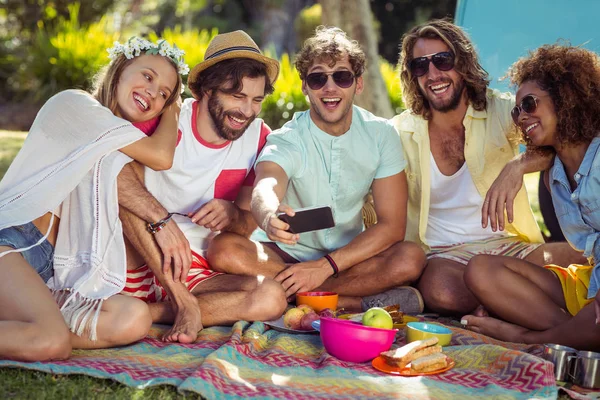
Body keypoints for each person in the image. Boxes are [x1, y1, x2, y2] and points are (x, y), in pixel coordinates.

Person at [207, 26, 426, 313]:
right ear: (305, 86)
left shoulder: (381, 134)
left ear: (358, 84)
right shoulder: (289, 137)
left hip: (347, 259)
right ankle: (352, 303)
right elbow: (266, 185)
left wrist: (324, 267)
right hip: (284, 256)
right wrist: (269, 215)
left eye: (342, 77)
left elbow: (392, 226)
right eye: (318, 78)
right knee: (223, 250)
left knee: (410, 257)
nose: (330, 87)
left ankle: (295, 295)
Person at [0, 37, 186, 361]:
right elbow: (162, 155)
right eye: (148, 76)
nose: (153, 93)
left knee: (134, 317)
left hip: (49, 273)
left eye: (164, 94)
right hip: (13, 243)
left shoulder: (120, 150)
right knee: (51, 342)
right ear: (120, 68)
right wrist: (174, 107)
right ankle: (38, 329)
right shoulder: (75, 105)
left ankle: (26, 323)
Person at [392, 19, 586, 316]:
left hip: (512, 249)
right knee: (439, 289)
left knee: (585, 255)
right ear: (412, 75)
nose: (433, 74)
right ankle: (534, 311)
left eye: (443, 60)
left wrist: (519, 165)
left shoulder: (499, 111)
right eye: (421, 66)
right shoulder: (400, 132)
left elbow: (561, 137)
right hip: (445, 257)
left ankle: (505, 308)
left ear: (463, 63)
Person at [117, 31, 287, 344]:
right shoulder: (166, 119)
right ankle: (178, 303)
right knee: (123, 193)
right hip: (138, 251)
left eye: (256, 100)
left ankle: (155, 311)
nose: (247, 111)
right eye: (237, 96)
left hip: (195, 266)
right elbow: (113, 177)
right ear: (207, 88)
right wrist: (161, 224)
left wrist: (232, 214)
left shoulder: (259, 137)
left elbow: (247, 221)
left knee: (272, 297)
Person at [461, 44, 600, 350]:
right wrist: (519, 165)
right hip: (590, 282)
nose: (521, 117)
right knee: (481, 270)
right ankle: (574, 335)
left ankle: (524, 338)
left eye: (530, 104)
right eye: (517, 110)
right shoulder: (554, 174)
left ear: (566, 100)